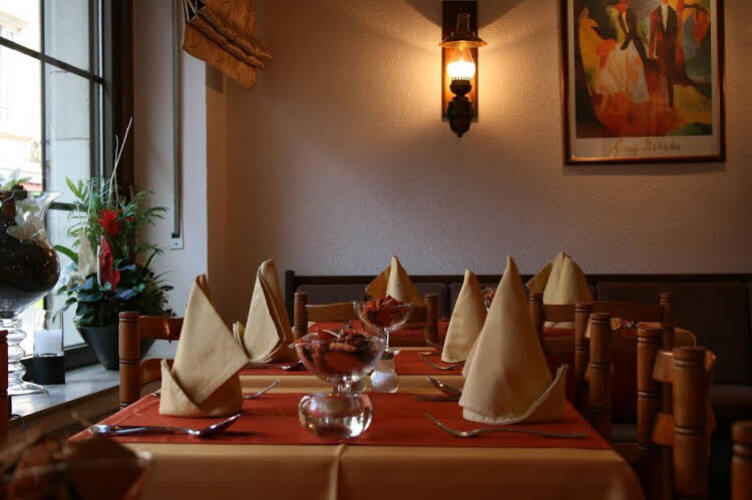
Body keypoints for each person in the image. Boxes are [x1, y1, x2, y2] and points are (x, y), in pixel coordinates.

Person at [649, 0, 679, 107]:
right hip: (660, 49)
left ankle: (671, 101)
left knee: (670, 75)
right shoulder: (654, 12)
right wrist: (651, 50)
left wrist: (672, 43)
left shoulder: (673, 13)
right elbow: (652, 33)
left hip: (670, 49)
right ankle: (664, 99)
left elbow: (675, 31)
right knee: (662, 74)